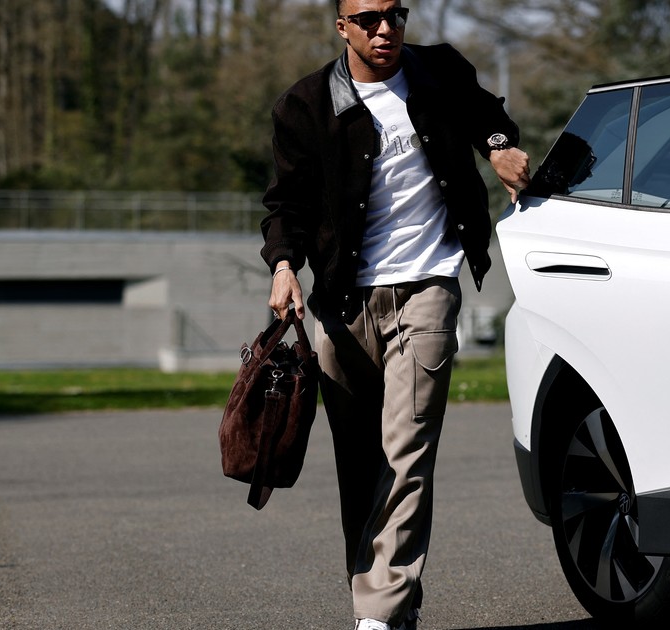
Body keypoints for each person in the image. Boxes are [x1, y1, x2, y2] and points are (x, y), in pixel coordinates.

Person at [260, 1, 530, 628]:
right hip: (342, 302)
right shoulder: (304, 106)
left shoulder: (440, 71)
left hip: (427, 285)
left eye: (396, 14)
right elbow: (287, 204)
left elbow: (488, 116)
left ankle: (376, 614)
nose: (386, 29)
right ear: (342, 27)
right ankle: (389, 607)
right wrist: (283, 265)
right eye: (369, 19)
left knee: (406, 451)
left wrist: (498, 148)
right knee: (359, 463)